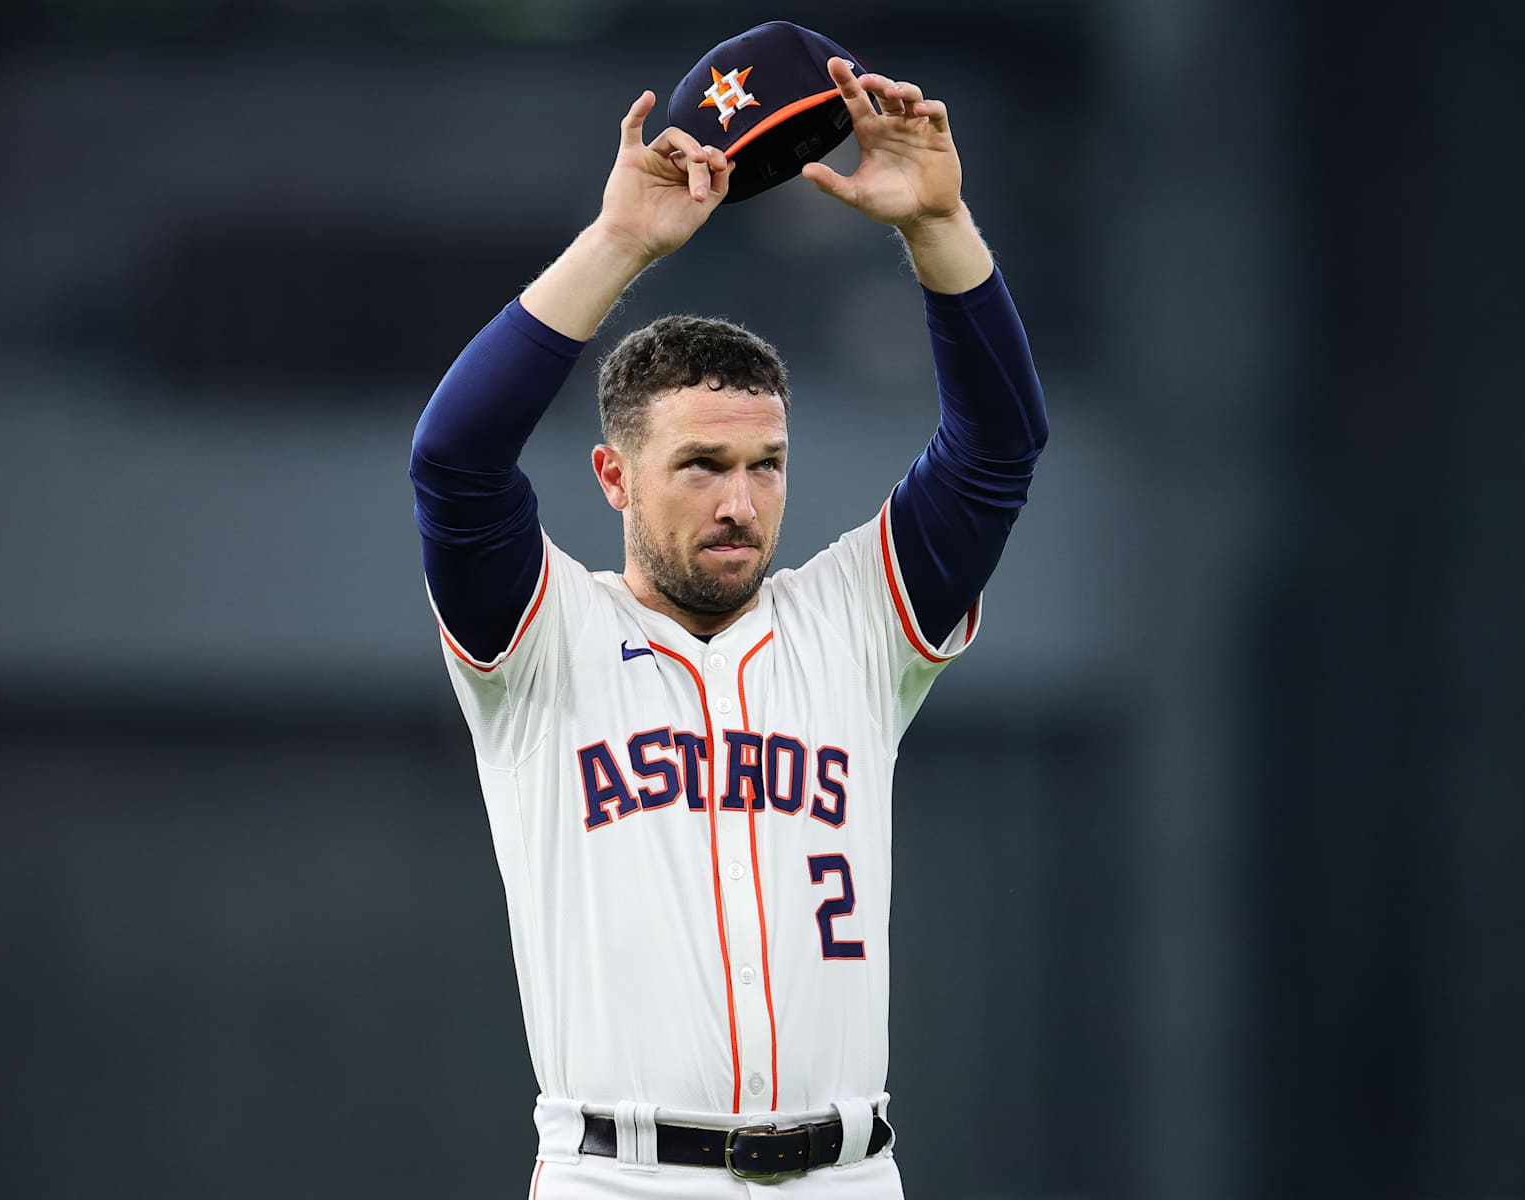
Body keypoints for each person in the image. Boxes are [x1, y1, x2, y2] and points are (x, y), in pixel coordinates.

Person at [410, 54, 1047, 1198]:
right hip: (624, 1175)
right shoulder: (539, 642)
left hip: (848, 1171)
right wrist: (621, 244)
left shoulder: (856, 623)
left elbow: (998, 447)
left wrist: (940, 225)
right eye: (701, 464)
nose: (740, 502)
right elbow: (454, 461)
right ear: (612, 474)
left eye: (766, 465)